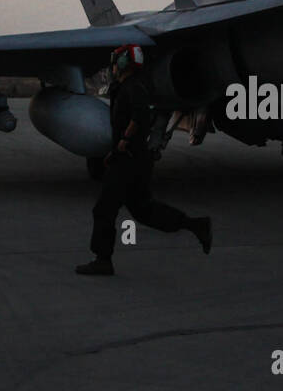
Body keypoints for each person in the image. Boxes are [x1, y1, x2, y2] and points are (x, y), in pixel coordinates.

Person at [76, 45, 212, 275]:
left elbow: (140, 116)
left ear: (123, 63)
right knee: (143, 210)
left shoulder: (133, 87)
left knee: (104, 210)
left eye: (117, 60)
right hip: (134, 158)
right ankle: (196, 225)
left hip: (128, 159)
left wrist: (124, 142)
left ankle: (102, 260)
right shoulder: (129, 86)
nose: (114, 64)